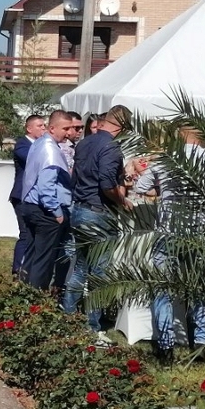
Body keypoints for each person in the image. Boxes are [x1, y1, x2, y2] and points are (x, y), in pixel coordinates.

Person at [133, 124, 205, 360]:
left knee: (163, 287)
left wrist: (162, 186)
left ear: (179, 136)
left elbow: (141, 186)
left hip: (169, 230)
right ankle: (201, 341)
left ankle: (166, 344)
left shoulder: (166, 158)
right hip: (201, 231)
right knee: (201, 286)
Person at [63, 104, 133, 338]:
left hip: (80, 208)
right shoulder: (111, 147)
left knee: (81, 268)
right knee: (99, 273)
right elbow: (106, 183)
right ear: (122, 126)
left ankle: (68, 316)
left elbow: (75, 177)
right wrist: (122, 200)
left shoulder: (84, 143)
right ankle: (92, 326)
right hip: (99, 212)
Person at [18, 109, 74, 292]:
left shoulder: (39, 143)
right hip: (44, 211)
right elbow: (46, 186)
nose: (68, 133)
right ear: (52, 128)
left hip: (30, 205)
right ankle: (36, 300)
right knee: (43, 260)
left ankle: (23, 294)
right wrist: (57, 213)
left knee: (32, 255)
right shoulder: (50, 150)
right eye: (65, 128)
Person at [10, 114, 47, 275]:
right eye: (40, 126)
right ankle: (18, 270)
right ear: (29, 128)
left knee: (35, 234)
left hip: (36, 196)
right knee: (25, 234)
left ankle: (30, 268)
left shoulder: (42, 145)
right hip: (22, 196)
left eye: (44, 125)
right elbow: (33, 160)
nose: (43, 128)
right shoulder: (22, 145)